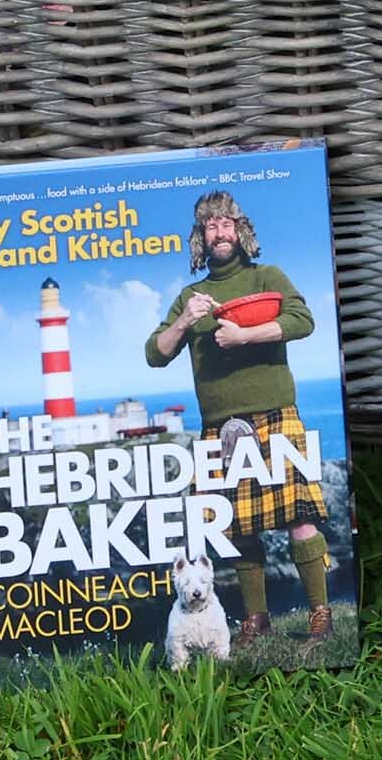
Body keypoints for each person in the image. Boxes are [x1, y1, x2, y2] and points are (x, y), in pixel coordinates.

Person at [142, 188, 336, 648]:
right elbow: (155, 354)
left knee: (299, 514)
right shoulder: (190, 297)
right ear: (200, 238)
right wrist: (184, 322)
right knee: (237, 525)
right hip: (218, 428)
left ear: (241, 231)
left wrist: (246, 335)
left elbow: (303, 320)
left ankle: (321, 617)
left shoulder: (267, 276)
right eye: (210, 226)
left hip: (275, 414)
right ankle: (256, 619)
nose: (220, 231)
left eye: (227, 223)